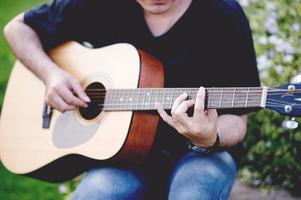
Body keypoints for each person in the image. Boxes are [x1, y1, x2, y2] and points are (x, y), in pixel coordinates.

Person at [4, 0, 260, 199]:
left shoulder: (224, 16)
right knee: (94, 196)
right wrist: (51, 75)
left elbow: (237, 120)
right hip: (122, 156)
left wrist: (210, 137)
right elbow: (18, 28)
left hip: (201, 155)